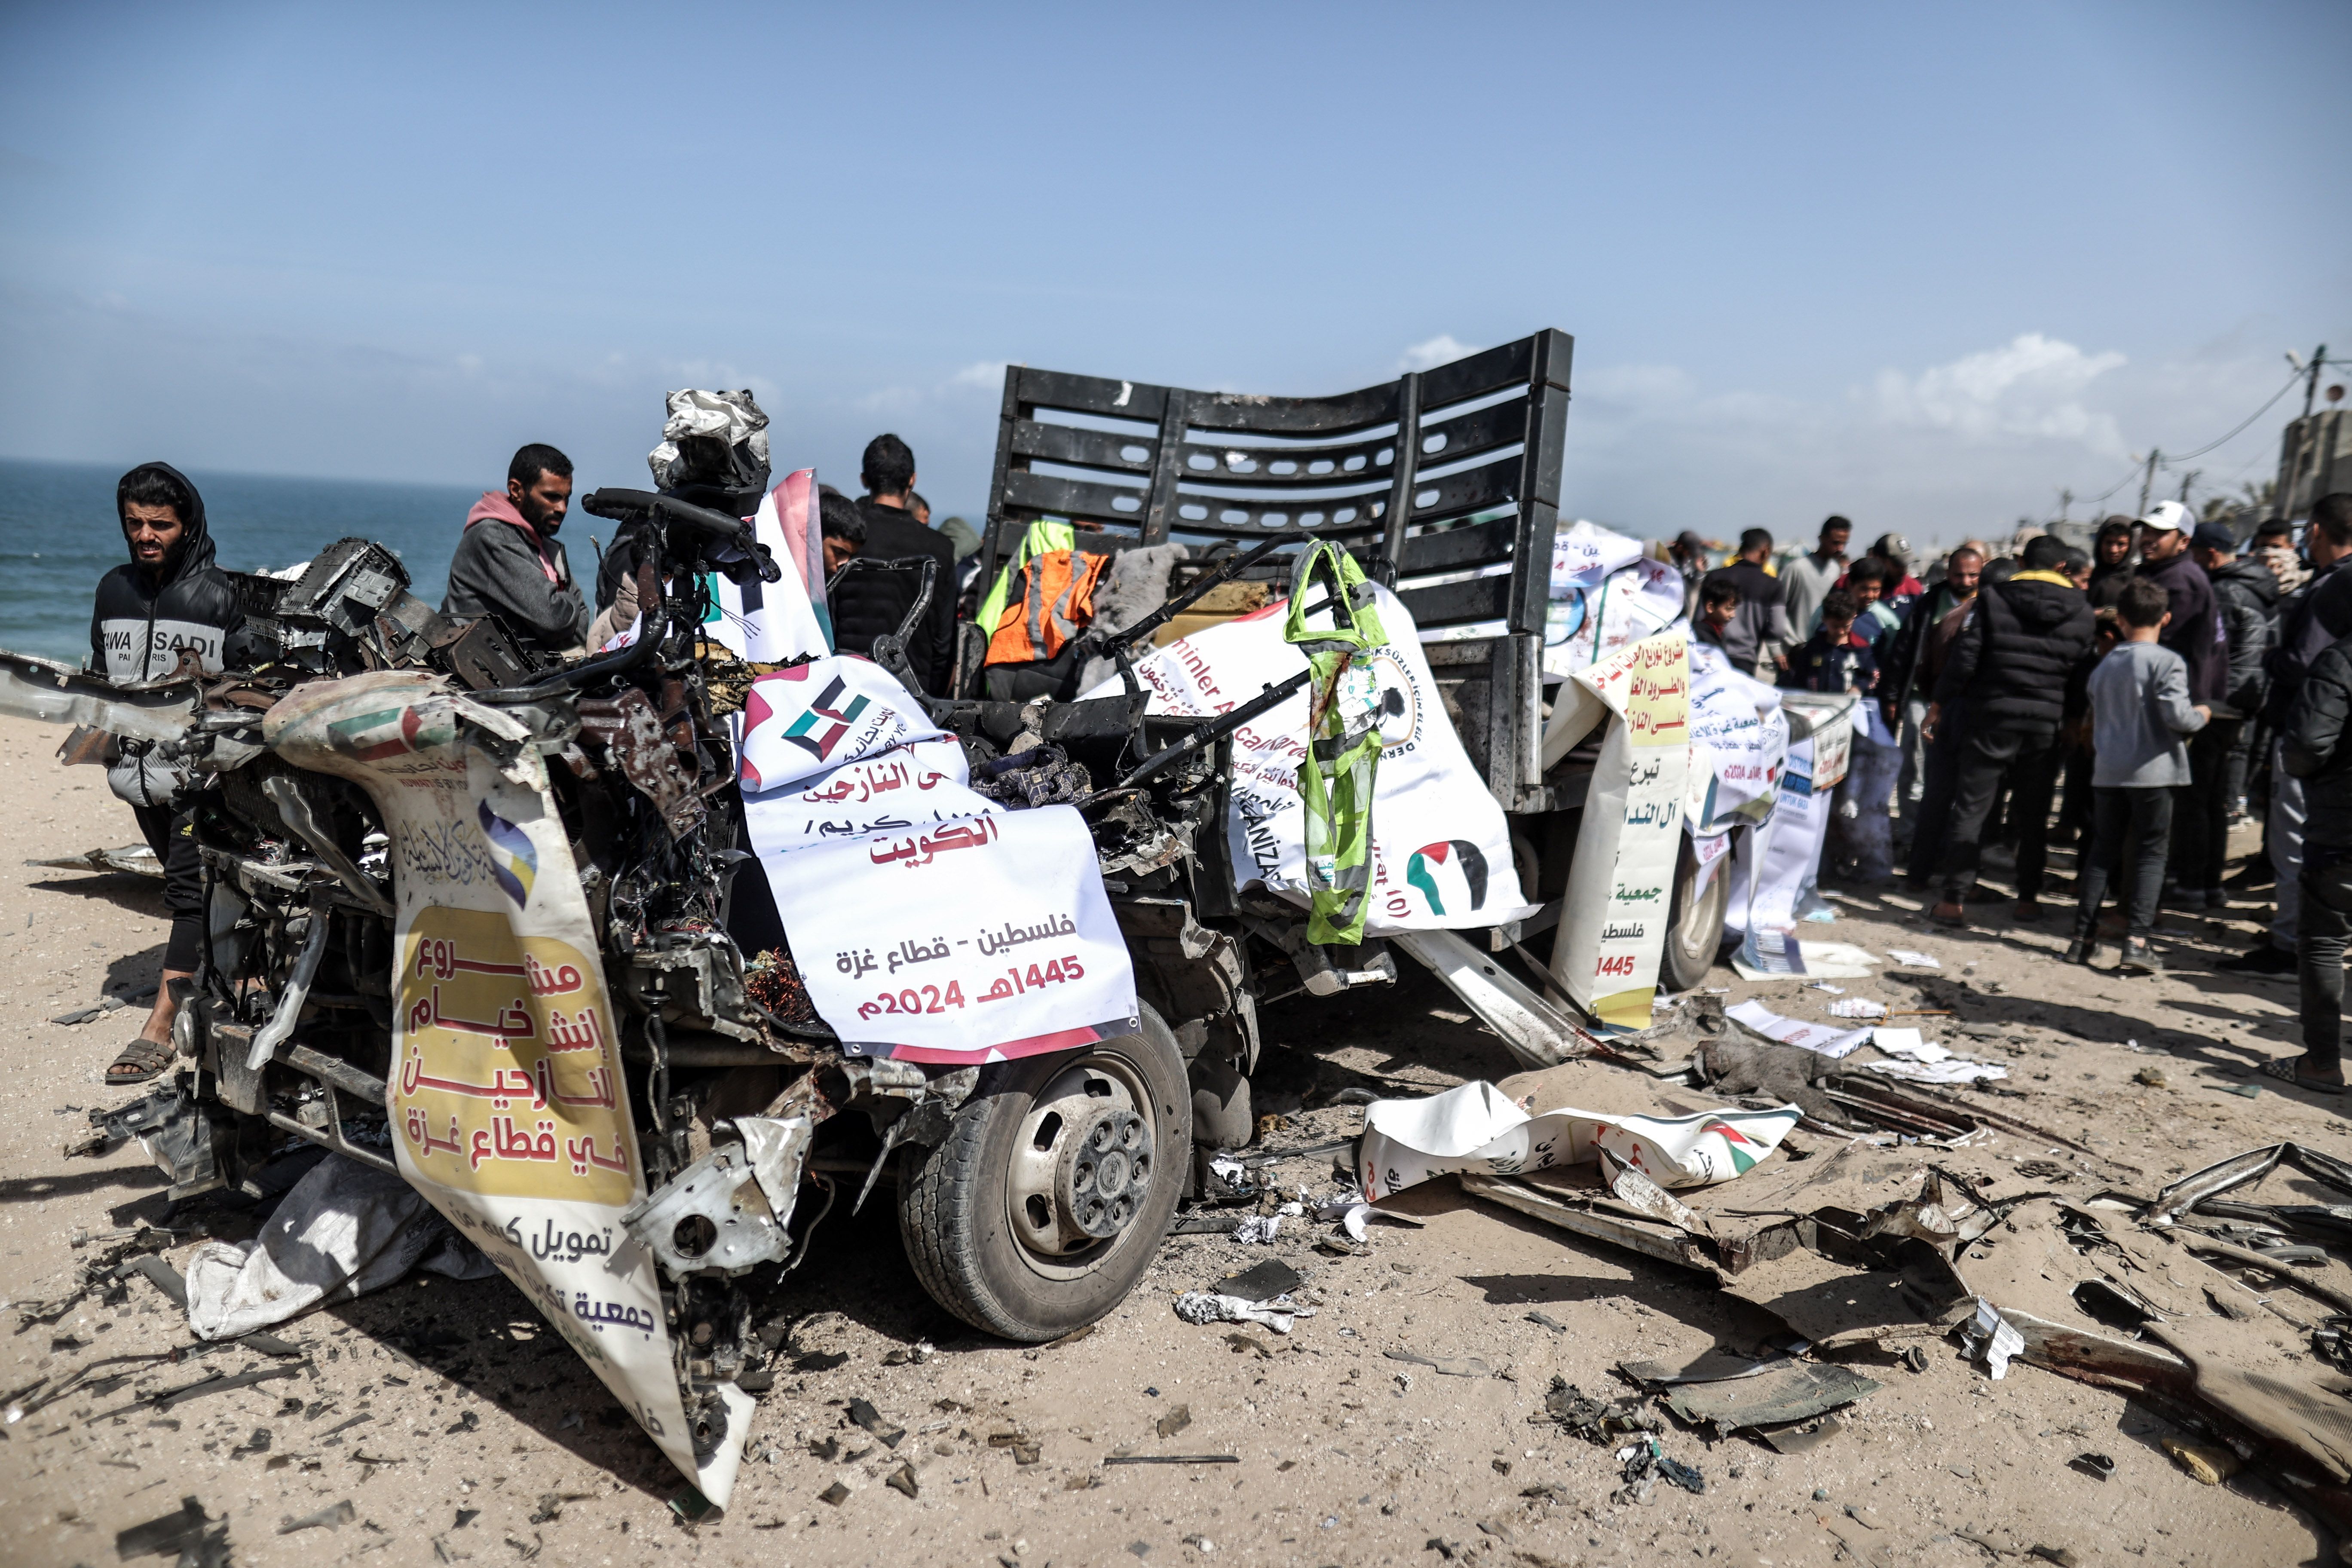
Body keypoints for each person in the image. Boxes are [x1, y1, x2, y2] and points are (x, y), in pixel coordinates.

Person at [90, 462, 242, 1085]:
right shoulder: (113, 588)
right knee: (195, 895)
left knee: (185, 891)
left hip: (197, 779)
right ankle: (237, 971)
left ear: (189, 525)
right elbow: (100, 672)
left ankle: (160, 1026)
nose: (146, 535)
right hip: (135, 776)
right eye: (135, 524)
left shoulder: (222, 595)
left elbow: (248, 690)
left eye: (161, 525)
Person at [1926, 534, 2096, 925]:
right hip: (2045, 725)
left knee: (1971, 808)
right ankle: (2028, 900)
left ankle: (1953, 900)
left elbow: (1966, 659)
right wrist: (2073, 720)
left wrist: (1938, 704)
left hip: (1991, 718)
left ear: (2023, 565)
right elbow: (2081, 675)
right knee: (2034, 815)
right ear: (2062, 569)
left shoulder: (1994, 600)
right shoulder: (2082, 611)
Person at [2222, 493, 2352, 974]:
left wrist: (2267, 659)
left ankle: (2290, 943)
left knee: (2296, 845)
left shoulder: (2335, 586)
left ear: (2315, 531)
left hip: (2315, 736)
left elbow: (2306, 662)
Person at [2065, 579, 2210, 974]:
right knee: (2150, 855)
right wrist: (2203, 715)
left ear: (2122, 619)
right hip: (2154, 773)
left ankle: (2082, 939)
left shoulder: (2105, 664)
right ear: (2165, 617)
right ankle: (2137, 942)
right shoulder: (2168, 662)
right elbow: (2178, 717)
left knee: (2100, 853)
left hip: (2109, 772)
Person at [2169, 522, 2274, 903]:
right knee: (2214, 800)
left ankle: (2191, 883)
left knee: (2195, 798)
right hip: (2243, 704)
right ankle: (2210, 883)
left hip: (2215, 704)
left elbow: (2209, 652)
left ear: (2208, 553)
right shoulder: (2260, 588)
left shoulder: (2223, 590)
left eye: (2194, 553)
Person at [2272, 608, 2352, 1093]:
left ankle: (2322, 1063)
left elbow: (2305, 745)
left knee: (2324, 940)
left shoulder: (2340, 660)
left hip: (2343, 827)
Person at [444, 444, 590, 659]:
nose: (562, 508)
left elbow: (582, 627)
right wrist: (560, 609)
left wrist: (554, 610)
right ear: (516, 490)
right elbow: (552, 618)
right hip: (485, 675)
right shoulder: (493, 537)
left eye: (566, 498)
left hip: (523, 673)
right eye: (551, 497)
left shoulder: (544, 545)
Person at [1881, 546, 1983, 831]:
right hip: (1922, 696)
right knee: (1914, 763)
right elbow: (1903, 650)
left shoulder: (1991, 604)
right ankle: (1911, 830)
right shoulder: (1929, 604)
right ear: (1948, 573)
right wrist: (1892, 695)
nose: (1965, 581)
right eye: (1959, 575)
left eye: (1973, 575)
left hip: (1965, 700)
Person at [850, 434, 959, 692]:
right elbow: (945, 644)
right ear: (912, 480)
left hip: (846, 681)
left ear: (865, 480)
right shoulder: (941, 548)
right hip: (912, 691)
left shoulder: (845, 539)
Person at [1698, 530, 1793, 680]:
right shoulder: (1773, 585)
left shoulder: (1714, 577)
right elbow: (1777, 630)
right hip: (1745, 660)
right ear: (1766, 552)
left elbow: (1699, 619)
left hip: (1709, 658)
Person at [1780, 515, 1852, 641]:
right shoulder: (1797, 569)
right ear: (1822, 539)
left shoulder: (1836, 570)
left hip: (1820, 647)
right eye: (1836, 543)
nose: (1840, 548)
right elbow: (1777, 608)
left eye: (1844, 544)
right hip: (1793, 647)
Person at [1866, 533, 1925, 614]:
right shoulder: (1859, 585)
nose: (1903, 570)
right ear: (1879, 560)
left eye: (1905, 565)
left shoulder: (1913, 588)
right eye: (1897, 564)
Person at [2086, 517, 2135, 610]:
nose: (2113, 550)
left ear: (2130, 546)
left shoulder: (2136, 579)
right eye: (2109, 543)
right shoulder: (2088, 577)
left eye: (2121, 544)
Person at [1692, 576, 1740, 652]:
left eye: (1734, 609)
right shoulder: (1697, 633)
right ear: (1710, 608)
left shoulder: (1720, 635)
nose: (1733, 615)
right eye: (1728, 609)